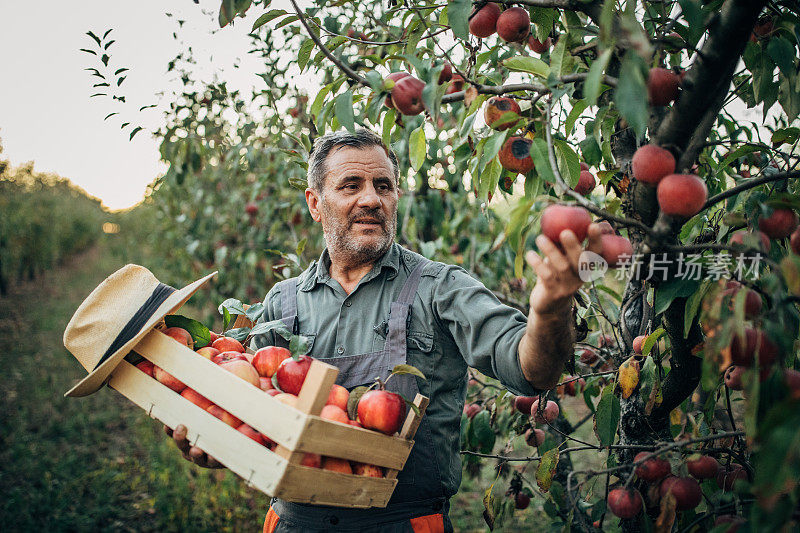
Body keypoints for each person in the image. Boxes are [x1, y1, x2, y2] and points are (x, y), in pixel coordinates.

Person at [168, 129, 604, 532]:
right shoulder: (282, 303)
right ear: (315, 203)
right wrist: (214, 442)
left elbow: (531, 370)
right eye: (350, 185)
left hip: (404, 523)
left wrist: (550, 310)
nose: (372, 199)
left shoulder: (439, 288)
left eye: (383, 186)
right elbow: (244, 413)